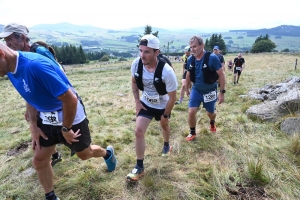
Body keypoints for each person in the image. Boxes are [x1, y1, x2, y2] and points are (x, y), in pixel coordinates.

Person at [0, 42, 117, 200]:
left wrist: (65, 129)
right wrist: (33, 126)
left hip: (70, 113)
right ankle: (51, 197)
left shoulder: (35, 66)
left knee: (84, 154)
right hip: (46, 117)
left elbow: (70, 100)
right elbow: (30, 96)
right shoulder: (10, 69)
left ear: (1, 54)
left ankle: (107, 153)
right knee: (39, 159)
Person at [0, 23, 70, 164]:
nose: (7, 44)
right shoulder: (16, 60)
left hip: (56, 98)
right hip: (39, 101)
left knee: (59, 123)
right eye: (5, 41)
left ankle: (75, 144)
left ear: (22, 37)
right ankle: (54, 155)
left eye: (9, 39)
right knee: (40, 126)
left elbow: (59, 75)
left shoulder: (39, 52)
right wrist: (30, 106)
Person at [127, 34, 177, 182]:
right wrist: (137, 102)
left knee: (164, 124)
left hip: (163, 104)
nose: (142, 55)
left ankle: (167, 145)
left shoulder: (167, 71)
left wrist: (166, 114)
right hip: (146, 103)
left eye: (147, 51)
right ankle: (139, 167)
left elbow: (173, 97)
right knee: (138, 131)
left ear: (157, 52)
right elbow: (134, 83)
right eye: (141, 51)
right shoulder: (136, 64)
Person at [185, 36, 226, 141]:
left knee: (210, 113)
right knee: (191, 112)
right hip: (196, 90)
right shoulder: (191, 59)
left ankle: (212, 122)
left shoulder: (212, 58)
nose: (192, 49)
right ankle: (192, 132)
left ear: (202, 45)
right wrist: (186, 89)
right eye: (191, 47)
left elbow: (221, 75)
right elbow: (188, 75)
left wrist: (221, 93)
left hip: (210, 91)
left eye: (195, 46)